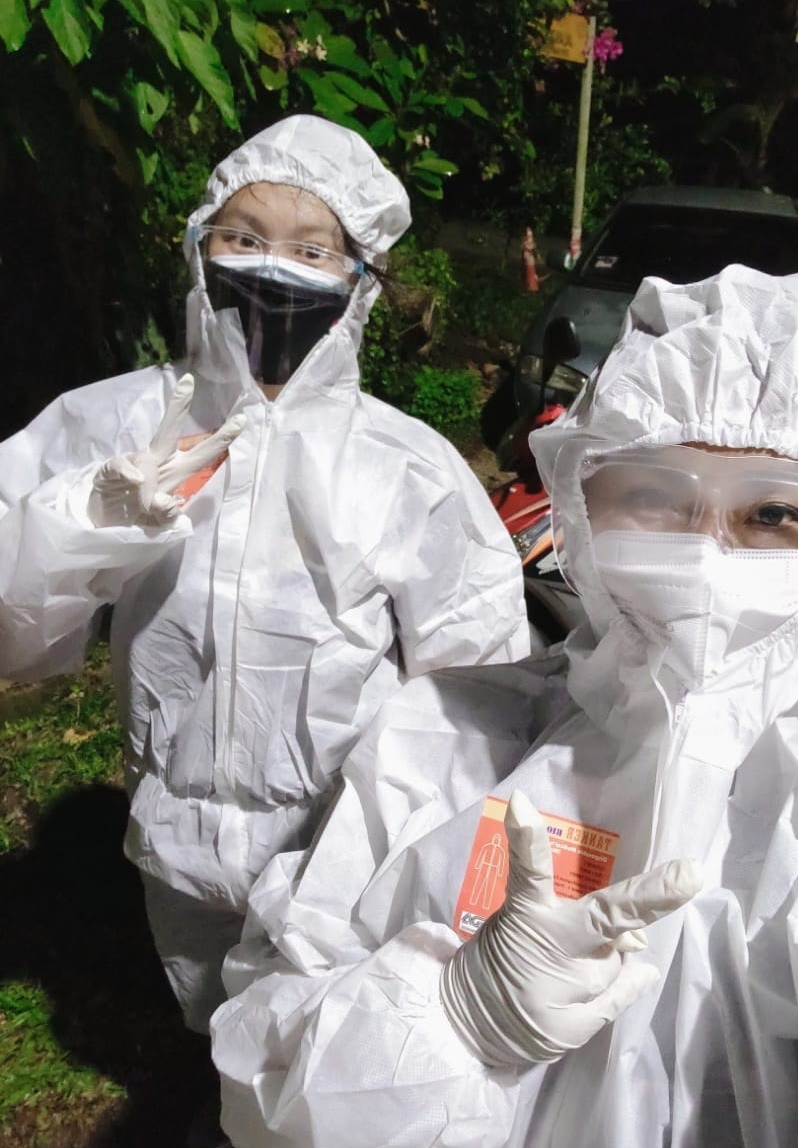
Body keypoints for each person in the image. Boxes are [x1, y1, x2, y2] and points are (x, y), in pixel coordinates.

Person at [210, 265, 798, 1148]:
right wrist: (452, 1021)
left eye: (772, 512)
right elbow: (276, 1090)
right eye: (652, 494)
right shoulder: (438, 743)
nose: (703, 547)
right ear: (579, 501)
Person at [0, 115, 530, 1053]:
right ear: (198, 248)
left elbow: (478, 678)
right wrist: (84, 520)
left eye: (311, 248)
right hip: (173, 823)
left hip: (339, 841)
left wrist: (432, 835)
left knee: (319, 1033)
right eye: (242, 238)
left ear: (360, 278)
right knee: (207, 1012)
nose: (272, 267)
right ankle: (216, 1091)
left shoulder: (404, 465)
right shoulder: (120, 420)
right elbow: (15, 623)